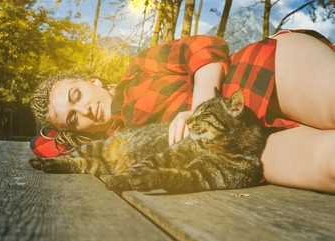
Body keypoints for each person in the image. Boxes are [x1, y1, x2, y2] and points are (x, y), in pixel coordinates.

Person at [30, 30, 335, 194]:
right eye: (73, 118)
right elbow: (43, 149)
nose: (84, 110)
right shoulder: (115, 145)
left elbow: (205, 48)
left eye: (76, 95)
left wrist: (196, 109)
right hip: (246, 150)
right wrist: (54, 134)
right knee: (328, 166)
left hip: (252, 76)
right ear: (75, 130)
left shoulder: (137, 70)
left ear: (91, 80)